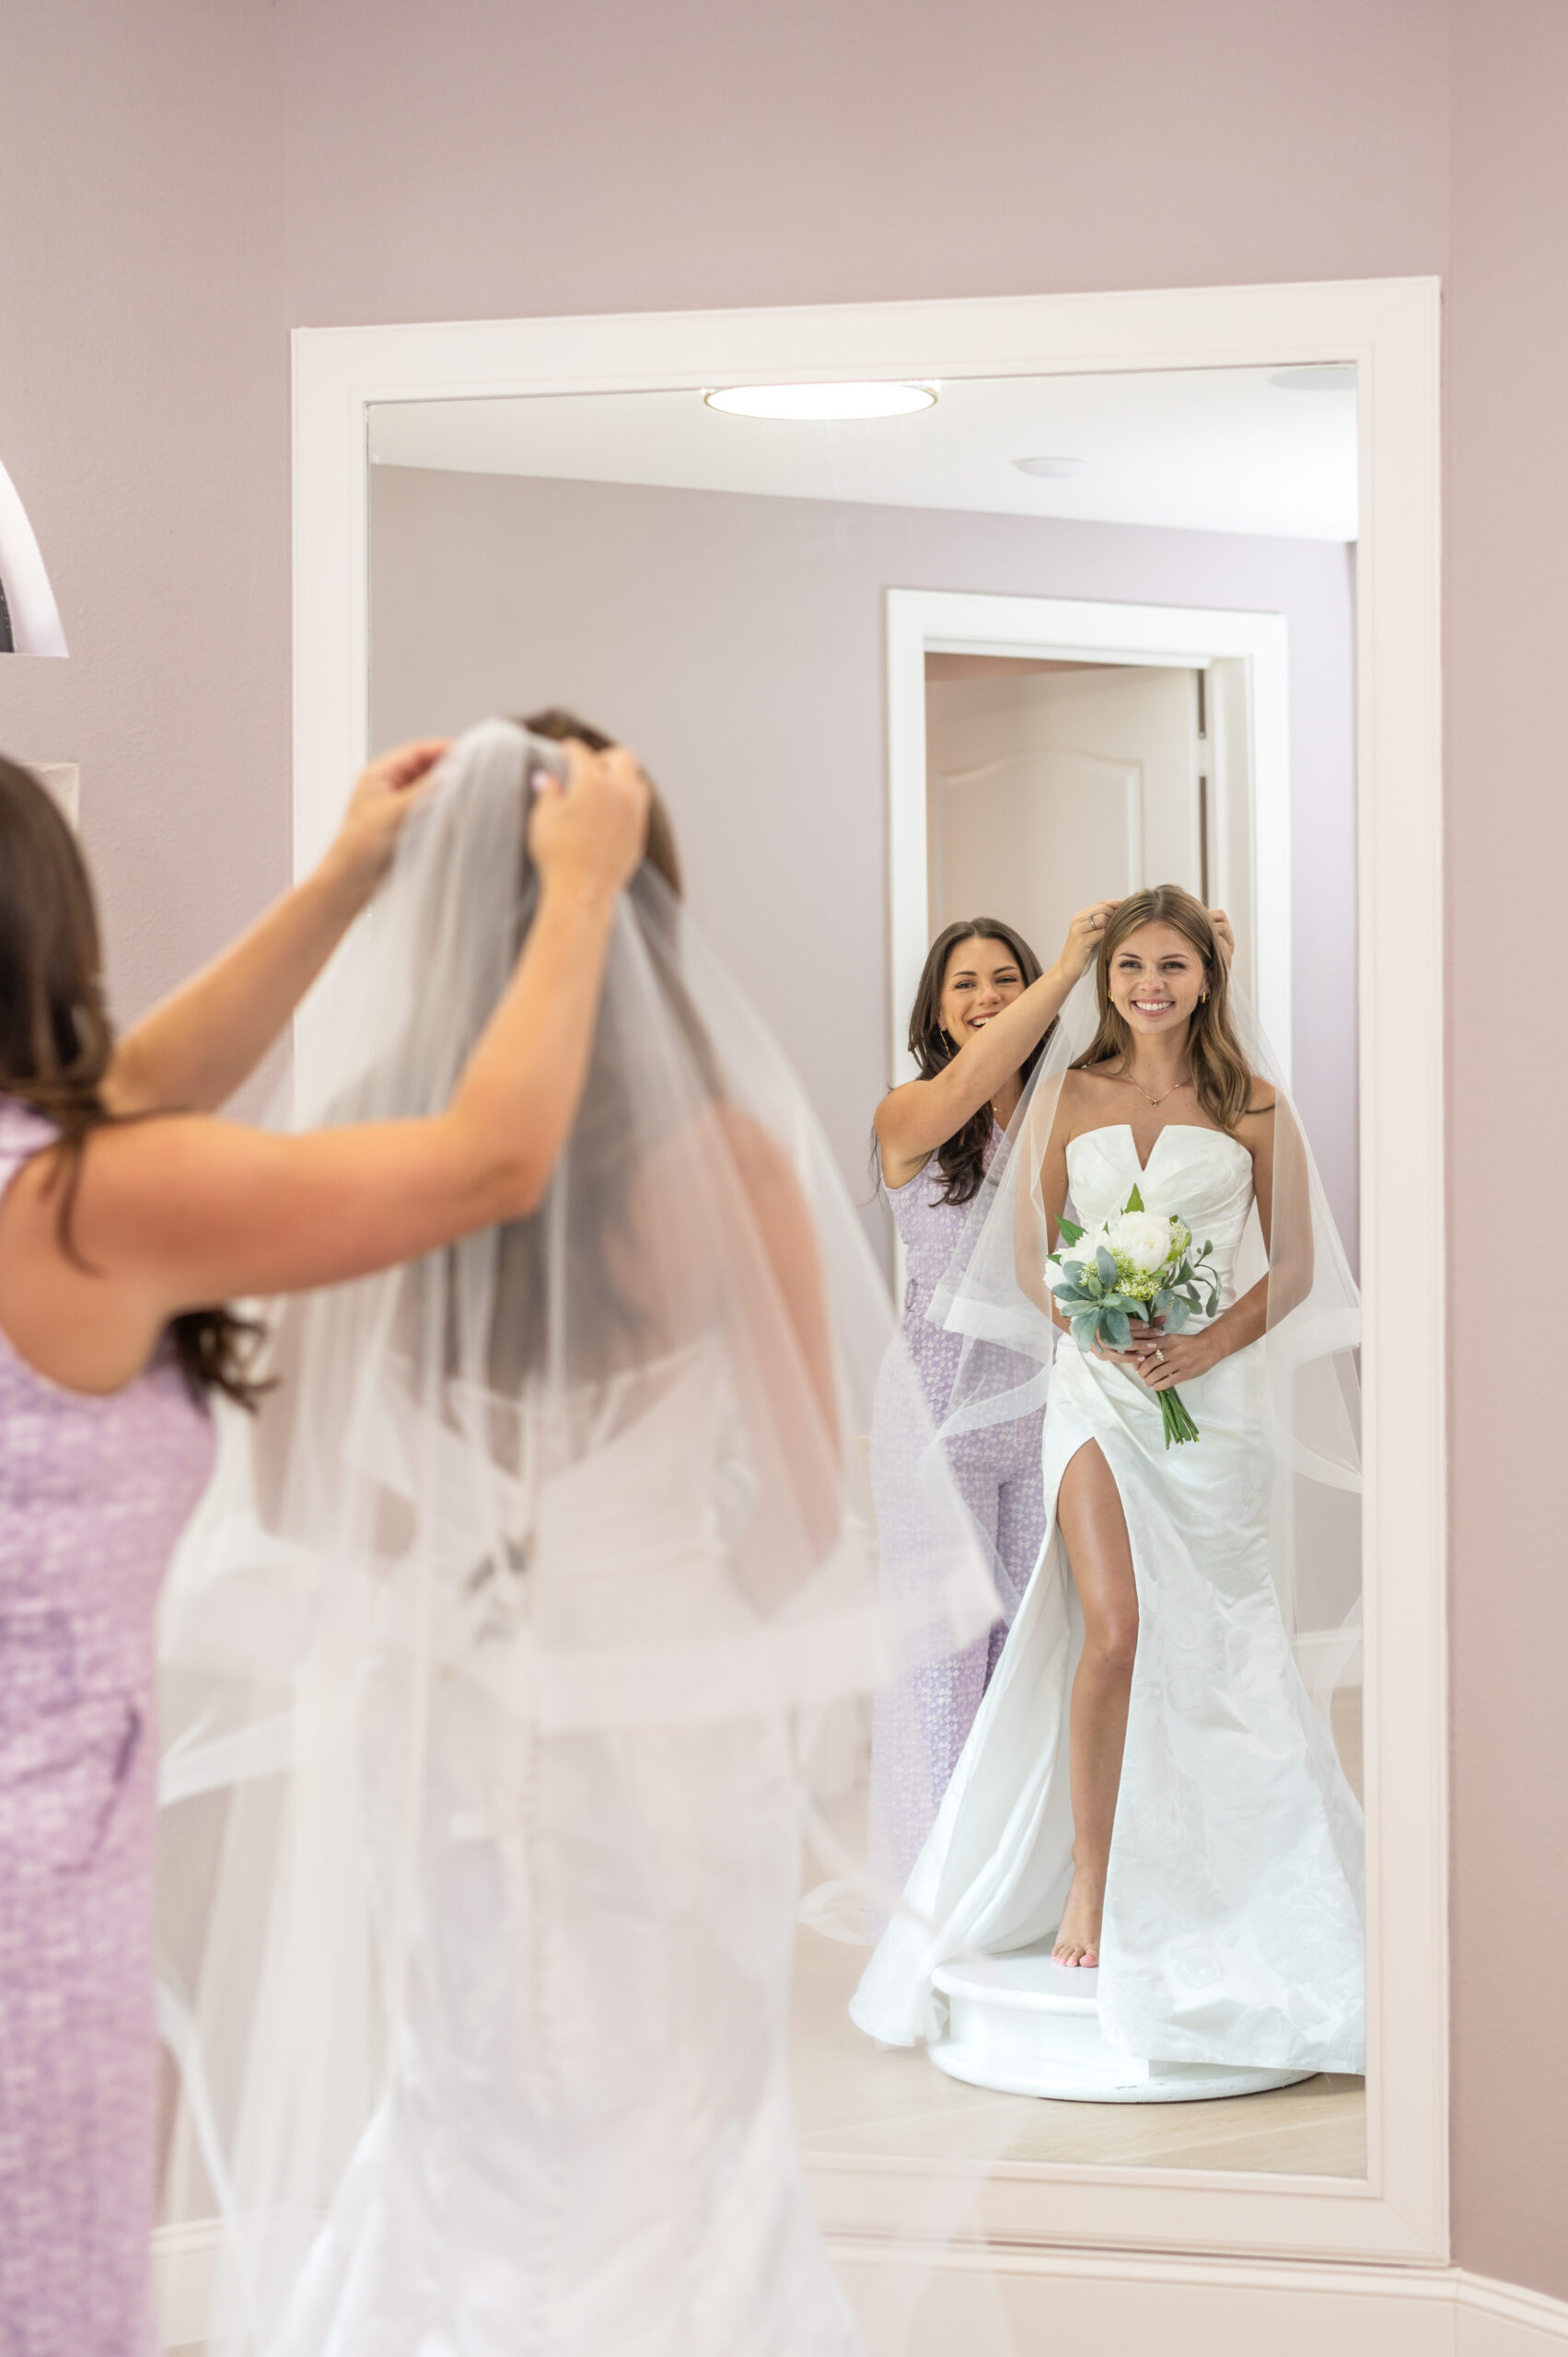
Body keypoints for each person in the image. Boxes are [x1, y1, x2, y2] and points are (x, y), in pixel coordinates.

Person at [153, 718, 998, 2356]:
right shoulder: (728, 1158)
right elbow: (809, 1509)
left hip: (444, 1697)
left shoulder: (374, 1135)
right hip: (672, 1696)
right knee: (687, 2117)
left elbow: (288, 1483)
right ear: (642, 898)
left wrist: (474, 1573)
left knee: (462, 2092)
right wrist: (667, 1614)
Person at [0, 724, 651, 2357]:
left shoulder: (56, 1176)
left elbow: (139, 1083)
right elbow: (488, 1160)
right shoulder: (79, 1206)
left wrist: (346, 878)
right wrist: (579, 896)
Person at [850, 886, 1365, 2081]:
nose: (1149, 980)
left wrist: (1198, 1344)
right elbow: (1026, 1257)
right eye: (1130, 965)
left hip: (1199, 1398)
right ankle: (1048, 1885)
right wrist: (1088, 1316)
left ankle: (1230, 1876)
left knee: (1215, 1639)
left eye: (1171, 965)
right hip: (1054, 1394)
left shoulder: (1249, 1103)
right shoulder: (1028, 1099)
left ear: (1200, 975)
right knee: (1096, 1636)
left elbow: (1290, 1270)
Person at [865, 908, 1109, 1893]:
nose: (985, 998)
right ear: (935, 1007)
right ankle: (931, 1902)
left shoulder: (1064, 1115)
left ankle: (1010, 1883)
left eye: (1001, 979)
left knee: (1027, 1655)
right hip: (932, 1419)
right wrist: (1065, 969)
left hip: (1044, 1411)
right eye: (964, 983)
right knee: (940, 1661)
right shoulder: (908, 1112)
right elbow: (972, 1078)